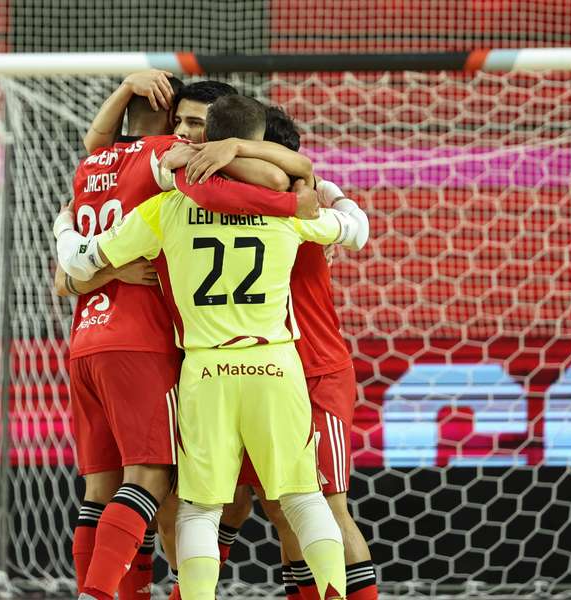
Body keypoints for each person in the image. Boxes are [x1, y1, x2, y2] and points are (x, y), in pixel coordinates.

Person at [55, 94, 370, 600]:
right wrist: (321, 193)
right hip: (276, 363)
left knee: (200, 508)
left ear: (211, 140)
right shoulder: (291, 208)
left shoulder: (168, 204)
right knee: (305, 502)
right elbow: (354, 229)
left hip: (204, 369)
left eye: (193, 125)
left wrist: (65, 229)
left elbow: (83, 260)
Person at [175, 105, 379, 600]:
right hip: (256, 372)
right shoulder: (290, 202)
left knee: (322, 507)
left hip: (311, 371)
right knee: (266, 507)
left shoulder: (299, 200)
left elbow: (356, 227)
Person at [57, 70, 184, 600]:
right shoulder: (165, 154)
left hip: (86, 335)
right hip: (139, 339)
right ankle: (102, 594)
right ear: (175, 120)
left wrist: (127, 86)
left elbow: (65, 279)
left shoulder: (89, 169)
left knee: (99, 489)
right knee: (152, 478)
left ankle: (119, 593)